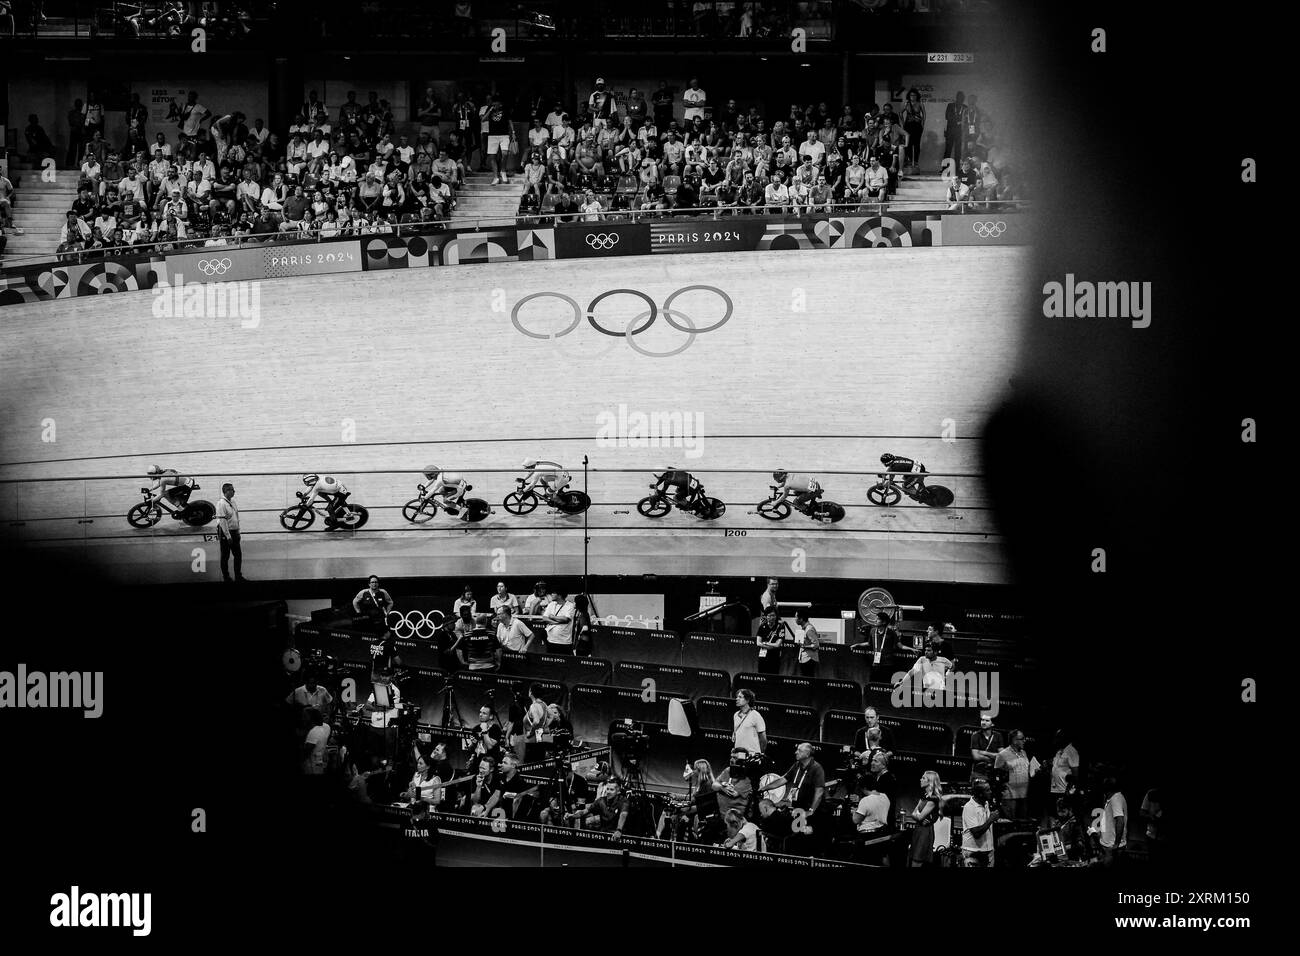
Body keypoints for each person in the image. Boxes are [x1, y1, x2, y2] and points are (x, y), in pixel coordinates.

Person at [486, 754, 539, 820]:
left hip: (515, 815)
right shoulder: (500, 777)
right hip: (500, 810)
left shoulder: (521, 781)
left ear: (513, 766)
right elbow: (496, 795)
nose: (501, 764)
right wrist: (486, 811)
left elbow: (522, 801)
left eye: (505, 763)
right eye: (502, 762)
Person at [909, 771, 943, 867]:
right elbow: (913, 813)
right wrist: (918, 817)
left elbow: (918, 816)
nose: (920, 779)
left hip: (925, 831)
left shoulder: (933, 799)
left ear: (930, 781)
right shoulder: (924, 796)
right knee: (913, 858)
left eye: (923, 778)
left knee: (917, 860)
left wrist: (918, 816)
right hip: (918, 829)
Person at [962, 781, 1000, 866]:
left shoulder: (986, 803)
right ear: (980, 794)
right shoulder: (969, 807)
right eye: (987, 790)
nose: (991, 792)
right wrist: (991, 819)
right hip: (973, 852)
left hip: (988, 851)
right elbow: (976, 833)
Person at [215, 482, 245, 583]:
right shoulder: (221, 504)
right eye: (232, 489)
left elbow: (236, 517)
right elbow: (222, 521)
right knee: (225, 556)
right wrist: (228, 536)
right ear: (226, 491)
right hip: (225, 533)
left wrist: (238, 531)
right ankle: (226, 577)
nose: (234, 491)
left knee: (238, 555)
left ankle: (238, 576)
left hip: (235, 532)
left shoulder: (233, 502)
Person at [1096, 777, 1127, 867]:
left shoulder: (1115, 799)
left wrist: (1116, 844)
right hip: (1108, 844)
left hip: (1111, 846)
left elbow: (1120, 820)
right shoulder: (1111, 799)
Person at [399, 800, 438, 865]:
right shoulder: (430, 824)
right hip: (426, 861)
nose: (429, 813)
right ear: (423, 812)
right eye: (428, 810)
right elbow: (436, 841)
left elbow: (401, 841)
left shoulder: (404, 823)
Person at [969, 713, 1004, 785]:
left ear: (992, 724)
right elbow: (976, 757)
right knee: (983, 788)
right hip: (979, 772)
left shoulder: (998, 736)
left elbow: (1002, 756)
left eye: (987, 721)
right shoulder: (975, 736)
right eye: (982, 720)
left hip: (995, 771)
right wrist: (993, 758)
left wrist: (984, 753)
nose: (983, 722)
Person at [755, 607, 790, 675]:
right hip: (763, 657)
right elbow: (758, 643)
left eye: (773, 615)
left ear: (776, 616)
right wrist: (770, 647)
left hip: (775, 657)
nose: (771, 617)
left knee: (773, 677)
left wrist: (766, 643)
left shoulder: (780, 626)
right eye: (769, 615)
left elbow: (778, 644)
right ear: (766, 616)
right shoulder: (762, 627)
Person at [732, 689, 767, 755]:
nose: (737, 699)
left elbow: (763, 739)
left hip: (752, 754)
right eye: (737, 697)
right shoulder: (736, 715)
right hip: (738, 754)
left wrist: (760, 754)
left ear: (747, 700)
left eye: (740, 697)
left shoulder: (755, 715)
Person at [542, 589, 576, 654]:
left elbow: (565, 619)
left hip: (564, 642)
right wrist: (556, 622)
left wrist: (552, 617)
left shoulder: (570, 606)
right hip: (551, 640)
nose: (551, 594)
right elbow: (545, 618)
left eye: (553, 593)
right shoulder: (551, 604)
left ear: (559, 595)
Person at [301, 708, 332, 775]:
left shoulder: (314, 732)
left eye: (305, 716)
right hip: (318, 763)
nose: (303, 719)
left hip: (311, 766)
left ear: (311, 718)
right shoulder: (323, 728)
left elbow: (306, 751)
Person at [794, 609, 820, 677]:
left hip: (809, 659)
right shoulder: (804, 628)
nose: (795, 619)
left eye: (796, 617)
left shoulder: (809, 629)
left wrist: (804, 646)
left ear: (801, 619)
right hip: (804, 658)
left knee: (809, 680)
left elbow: (816, 645)